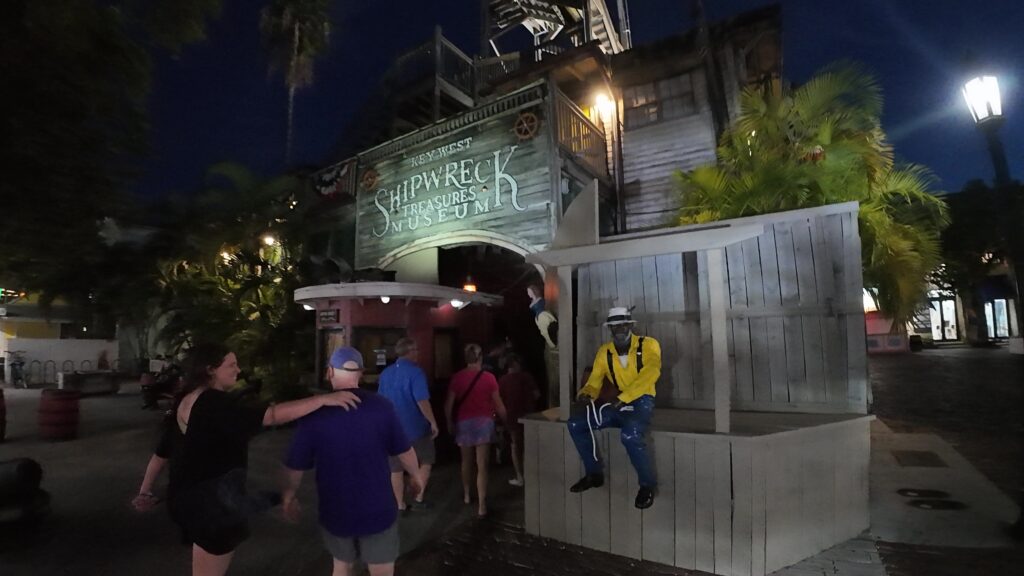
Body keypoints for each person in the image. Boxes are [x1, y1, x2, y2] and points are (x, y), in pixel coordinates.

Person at [131, 343, 360, 576]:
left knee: (205, 559)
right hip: (213, 506)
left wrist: (145, 490)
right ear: (211, 369)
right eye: (231, 364)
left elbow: (162, 452)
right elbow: (270, 415)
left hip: (188, 500)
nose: (238, 370)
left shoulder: (188, 399)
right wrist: (322, 400)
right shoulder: (214, 402)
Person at [281, 347, 424, 576]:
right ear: (361, 373)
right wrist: (416, 476)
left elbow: (295, 464)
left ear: (329, 372)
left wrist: (288, 494)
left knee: (342, 566)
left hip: (335, 509)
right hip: (378, 508)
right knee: (382, 570)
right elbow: (405, 451)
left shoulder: (315, 414)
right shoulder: (382, 407)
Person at [566, 306, 661, 509]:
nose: (619, 329)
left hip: (641, 400)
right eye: (614, 326)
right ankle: (594, 473)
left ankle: (647, 485)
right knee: (575, 424)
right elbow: (594, 381)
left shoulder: (649, 345)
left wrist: (625, 398)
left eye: (623, 324)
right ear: (609, 329)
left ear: (630, 325)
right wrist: (586, 393)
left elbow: (650, 374)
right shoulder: (604, 352)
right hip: (618, 402)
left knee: (630, 434)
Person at [444, 343, 509, 518]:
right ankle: (481, 504)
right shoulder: (489, 378)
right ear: (480, 358)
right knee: (482, 465)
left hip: (464, 423)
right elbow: (499, 404)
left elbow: (449, 405)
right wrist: (506, 421)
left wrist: (449, 422)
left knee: (466, 461)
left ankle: (466, 494)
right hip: (484, 423)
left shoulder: (457, 378)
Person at [376, 337, 438, 512]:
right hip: (415, 427)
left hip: (392, 428)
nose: (418, 353)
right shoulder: (416, 373)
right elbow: (422, 400)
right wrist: (433, 421)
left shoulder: (386, 373)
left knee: (395, 468)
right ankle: (418, 498)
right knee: (426, 460)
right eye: (416, 350)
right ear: (410, 352)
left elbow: (381, 400)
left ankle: (399, 505)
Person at [498, 354, 539, 487]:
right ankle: (532, 476)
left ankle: (520, 477)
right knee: (529, 445)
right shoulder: (527, 377)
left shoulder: (503, 381)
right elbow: (537, 394)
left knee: (515, 446)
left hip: (511, 417)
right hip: (529, 416)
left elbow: (499, 401)